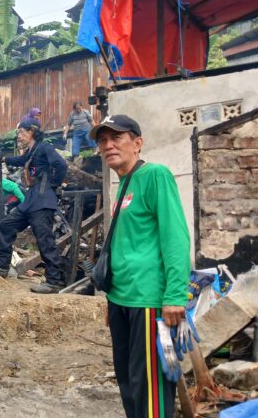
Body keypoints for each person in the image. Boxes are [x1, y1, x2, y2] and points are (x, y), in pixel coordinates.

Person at [91, 115, 190, 418]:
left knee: (150, 388)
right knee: (129, 383)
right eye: (103, 140)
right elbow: (126, 246)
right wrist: (112, 296)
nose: (108, 145)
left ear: (137, 143)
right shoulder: (124, 184)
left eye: (116, 138)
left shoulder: (155, 175)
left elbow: (175, 238)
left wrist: (175, 295)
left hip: (148, 301)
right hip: (122, 299)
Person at [0, 118, 68, 294]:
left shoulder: (44, 147)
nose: (18, 136)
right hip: (31, 199)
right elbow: (20, 160)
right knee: (5, 226)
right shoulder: (32, 151)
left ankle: (54, 282)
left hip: (42, 200)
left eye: (21, 132)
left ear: (31, 131)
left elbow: (61, 164)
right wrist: (3, 158)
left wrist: (54, 184)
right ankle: (2, 267)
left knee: (45, 240)